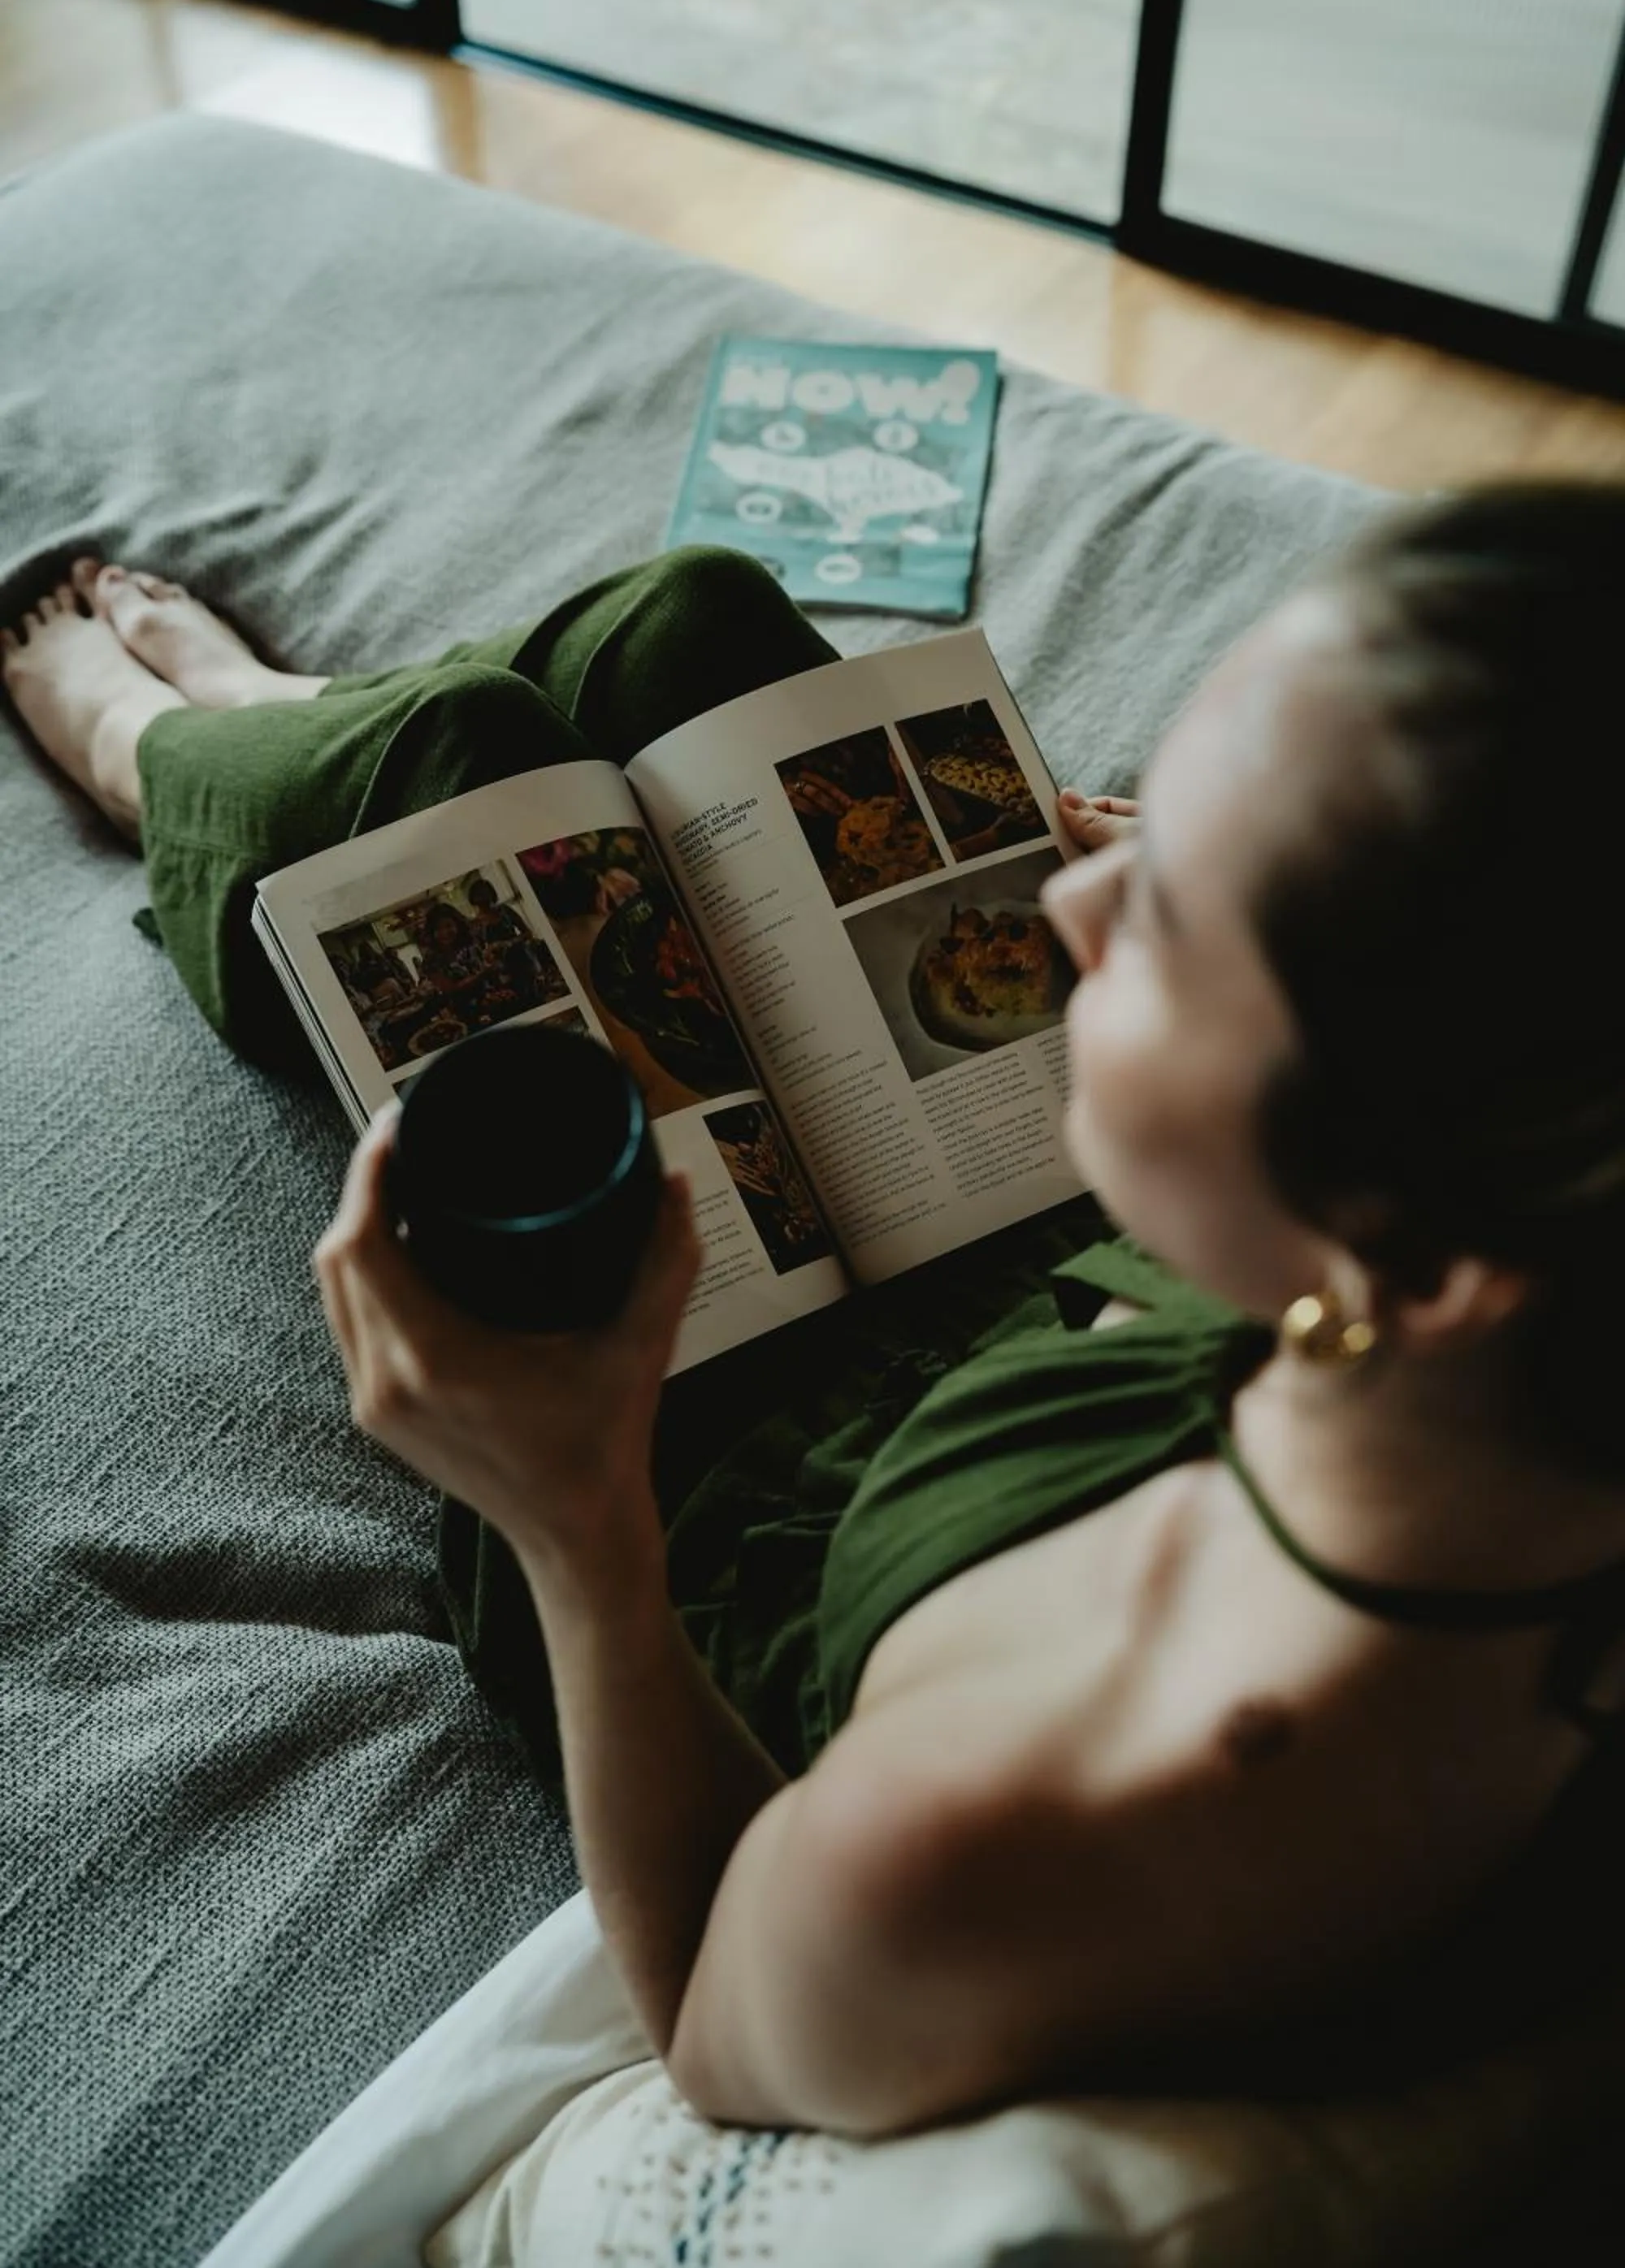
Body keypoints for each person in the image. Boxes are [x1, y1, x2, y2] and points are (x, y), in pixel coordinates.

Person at [6, 500, 1625, 2144]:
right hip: (1099, 1302)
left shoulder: (1051, 1816)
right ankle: (291, 728)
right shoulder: (1510, 1323)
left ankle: (167, 759)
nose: (1072, 903)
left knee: (455, 776)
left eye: (1166, 927)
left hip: (702, 1527)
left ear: (1417, 1251)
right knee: (692, 627)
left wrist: (573, 1522)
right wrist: (1230, 886)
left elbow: (714, 2014)